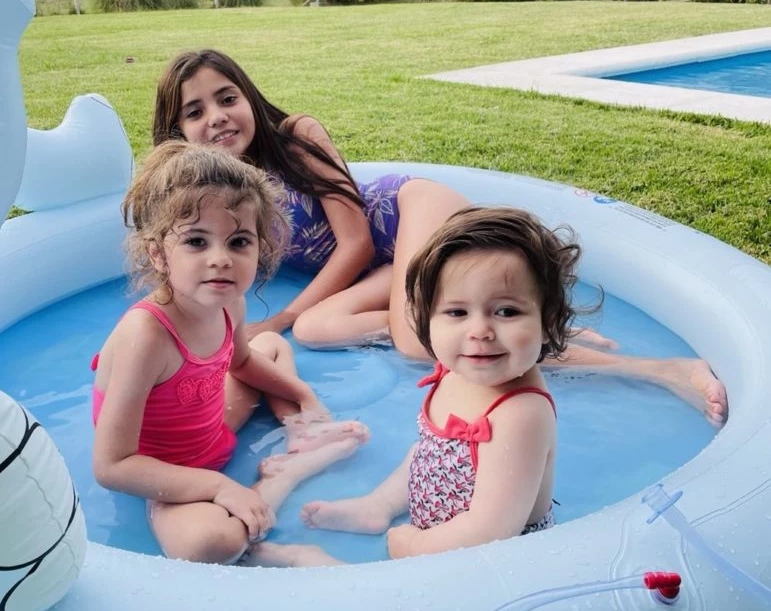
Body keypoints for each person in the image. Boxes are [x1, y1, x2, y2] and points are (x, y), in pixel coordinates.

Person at [152, 49, 727, 428]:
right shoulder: (219, 192)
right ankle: (486, 317)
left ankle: (663, 369)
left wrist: (271, 323)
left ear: (249, 96)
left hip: (415, 216)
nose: (219, 117)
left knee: (409, 341)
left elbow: (351, 243)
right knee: (317, 328)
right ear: (178, 131)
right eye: (196, 112)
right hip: (385, 266)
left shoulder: (295, 136)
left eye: (228, 97)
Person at [91, 141, 369, 565]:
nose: (220, 259)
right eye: (197, 242)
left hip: (211, 423)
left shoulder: (229, 304)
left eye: (239, 242)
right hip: (167, 468)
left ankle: (297, 437)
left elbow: (240, 362)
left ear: (262, 247)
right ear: (158, 254)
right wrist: (219, 488)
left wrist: (303, 400)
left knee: (271, 345)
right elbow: (113, 466)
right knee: (207, 544)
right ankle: (282, 492)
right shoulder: (145, 337)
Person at [248, 206, 574, 567]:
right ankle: (380, 505)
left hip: (487, 559)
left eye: (507, 312)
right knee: (427, 450)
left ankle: (310, 561)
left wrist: (414, 547)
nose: (479, 331)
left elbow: (490, 530)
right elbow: (435, 455)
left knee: (375, 604)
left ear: (547, 322)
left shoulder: (520, 413)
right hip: (447, 523)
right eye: (457, 313)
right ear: (427, 319)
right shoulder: (461, 369)